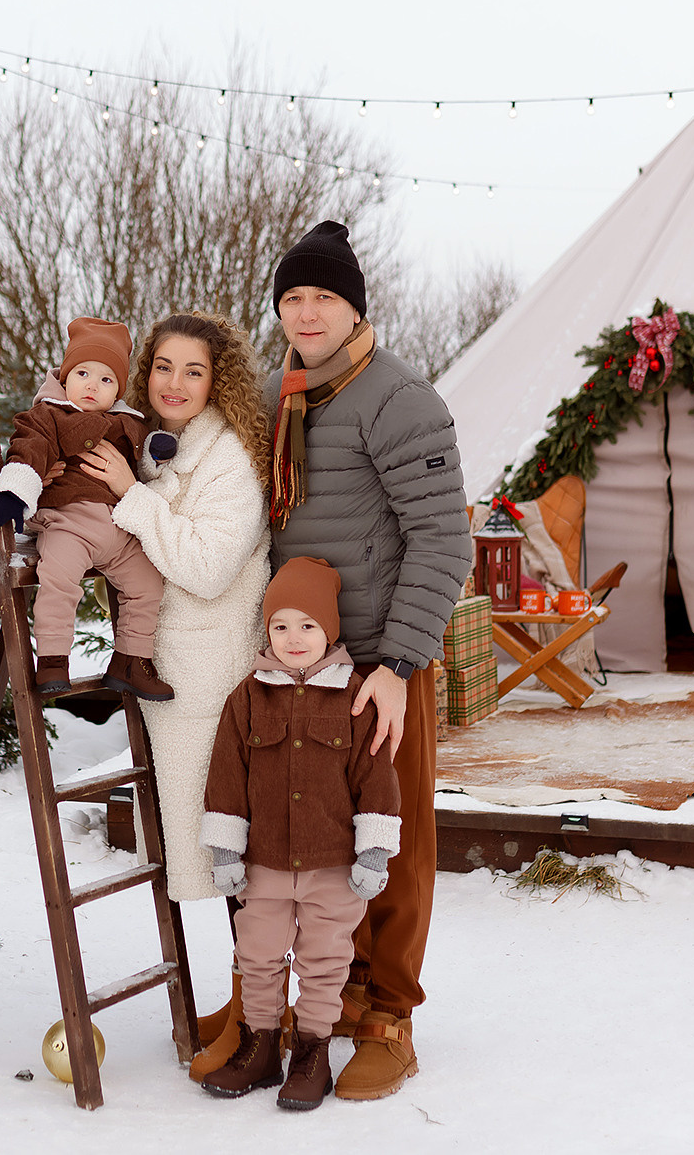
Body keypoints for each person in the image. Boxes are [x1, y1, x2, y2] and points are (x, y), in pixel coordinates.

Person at [262, 220, 470, 1101]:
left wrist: (398, 661)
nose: (306, 312)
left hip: (380, 664)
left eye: (324, 297)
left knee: (390, 842)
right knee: (311, 840)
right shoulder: (287, 397)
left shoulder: (398, 397)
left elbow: (444, 539)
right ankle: (328, 1000)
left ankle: (389, 1015)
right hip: (302, 665)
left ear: (355, 309)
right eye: (293, 298)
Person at [77, 313, 271, 907]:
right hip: (164, 669)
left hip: (211, 676)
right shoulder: (147, 449)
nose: (175, 384)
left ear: (218, 382)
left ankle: (255, 998)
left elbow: (209, 568)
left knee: (232, 852)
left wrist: (130, 497)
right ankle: (246, 996)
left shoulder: (228, 459)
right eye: (164, 367)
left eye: (194, 371)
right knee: (199, 852)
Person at [194, 557, 401, 1111]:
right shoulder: (247, 698)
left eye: (307, 625)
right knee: (256, 953)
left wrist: (374, 854)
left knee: (325, 959)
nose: (293, 638)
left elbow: (376, 778)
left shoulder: (355, 698)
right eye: (280, 626)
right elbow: (226, 778)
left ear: (329, 629)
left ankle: (312, 1050)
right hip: (264, 864)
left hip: (333, 866)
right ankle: (260, 1046)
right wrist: (225, 851)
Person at [0, 316, 173, 701]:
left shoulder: (126, 422)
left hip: (119, 531)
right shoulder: (48, 416)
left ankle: (131, 661)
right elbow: (28, 452)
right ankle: (53, 658)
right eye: (83, 372)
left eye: (106, 380)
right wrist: (12, 494)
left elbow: (140, 464)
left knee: (148, 585)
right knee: (59, 580)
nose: (92, 385)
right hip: (68, 522)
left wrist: (157, 451)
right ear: (65, 377)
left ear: (117, 388)